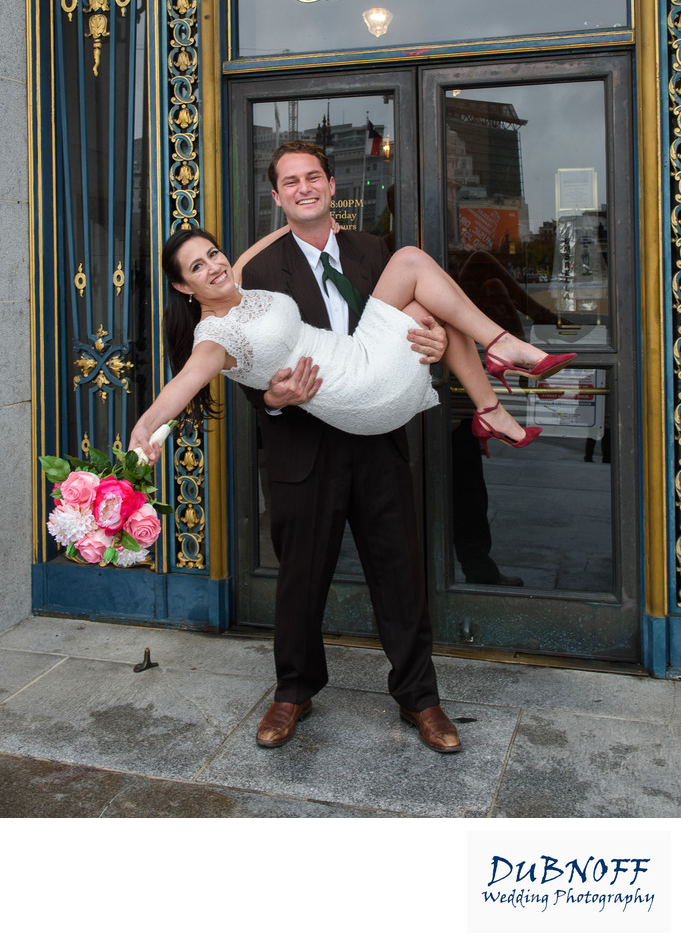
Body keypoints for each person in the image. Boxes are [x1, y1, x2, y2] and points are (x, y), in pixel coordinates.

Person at [129, 143, 574, 752]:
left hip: (377, 431)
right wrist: (275, 400)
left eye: (314, 176)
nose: (304, 187)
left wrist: (435, 341)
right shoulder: (255, 274)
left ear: (332, 185)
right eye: (290, 181)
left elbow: (420, 323)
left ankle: (421, 700)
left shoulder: (372, 252)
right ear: (278, 197)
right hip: (303, 446)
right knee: (299, 581)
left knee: (400, 572)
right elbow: (227, 374)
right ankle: (293, 692)